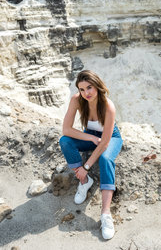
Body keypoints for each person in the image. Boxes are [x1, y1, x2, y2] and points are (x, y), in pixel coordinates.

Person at [59, 70, 123, 240]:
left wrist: (86, 167)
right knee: (65, 141)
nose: (86, 93)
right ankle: (85, 182)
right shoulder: (77, 100)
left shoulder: (108, 106)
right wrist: (90, 137)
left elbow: (105, 143)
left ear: (97, 86)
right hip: (91, 136)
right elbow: (66, 130)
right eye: (81, 89)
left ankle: (106, 215)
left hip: (111, 138)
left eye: (89, 87)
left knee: (105, 158)